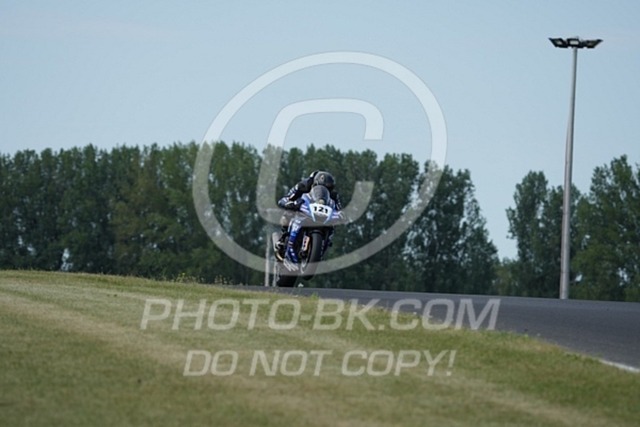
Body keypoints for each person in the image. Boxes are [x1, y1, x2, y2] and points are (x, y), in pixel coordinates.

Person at [275, 170, 342, 261]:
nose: (322, 192)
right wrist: (289, 203)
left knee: (333, 225)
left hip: (322, 215)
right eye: (319, 187)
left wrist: (342, 215)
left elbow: (339, 209)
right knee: (288, 212)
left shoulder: (333, 195)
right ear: (314, 184)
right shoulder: (303, 185)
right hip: (303, 208)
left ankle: (325, 243)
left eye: (328, 189)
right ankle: (283, 238)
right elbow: (285, 198)